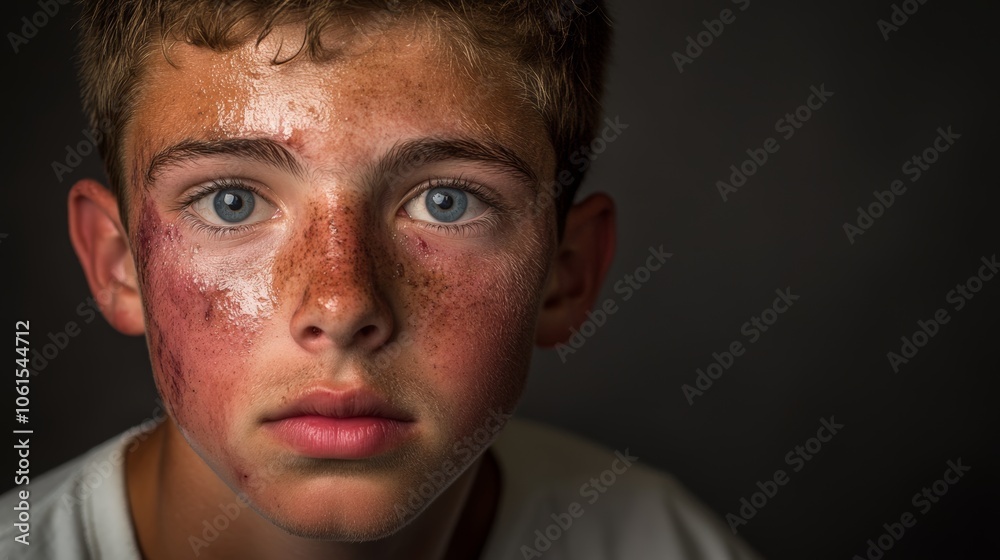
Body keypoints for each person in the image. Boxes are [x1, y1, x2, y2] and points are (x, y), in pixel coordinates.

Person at [2, 1, 761, 558]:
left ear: (566, 273)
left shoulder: (667, 543)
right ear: (116, 261)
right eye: (231, 202)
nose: (340, 305)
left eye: (446, 201)